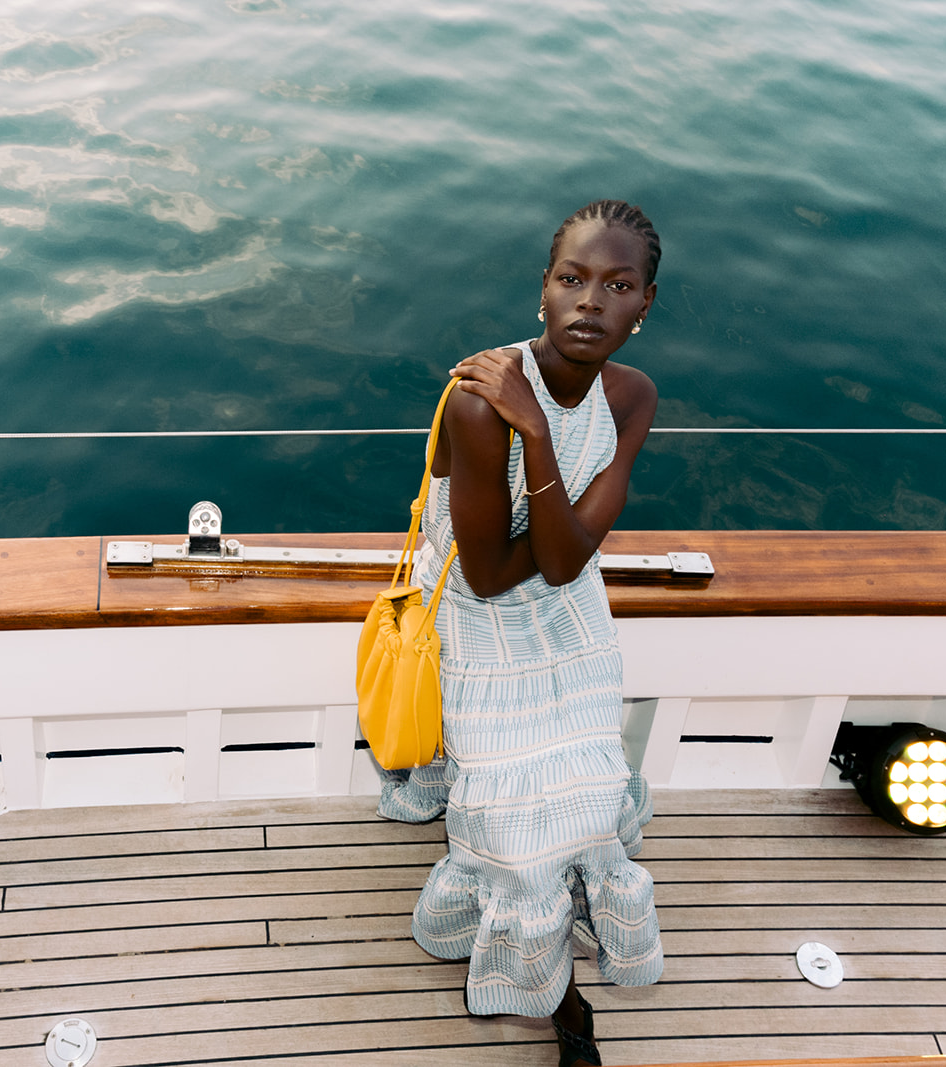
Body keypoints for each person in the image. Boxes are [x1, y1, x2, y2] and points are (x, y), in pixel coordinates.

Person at [378, 199, 664, 1067]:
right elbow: (491, 572)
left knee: (589, 778)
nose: (591, 302)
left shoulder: (632, 396)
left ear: (644, 306)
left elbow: (569, 562)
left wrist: (536, 432)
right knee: (518, 824)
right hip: (479, 602)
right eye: (572, 278)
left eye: (618, 286)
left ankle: (561, 922)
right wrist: (522, 425)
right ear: (543, 289)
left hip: (562, 596)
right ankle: (555, 993)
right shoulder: (479, 404)